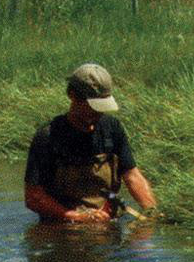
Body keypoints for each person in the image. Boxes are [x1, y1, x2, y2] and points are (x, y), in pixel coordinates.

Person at [25, 63, 157, 223]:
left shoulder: (112, 129)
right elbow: (33, 197)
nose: (98, 113)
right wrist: (75, 216)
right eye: (92, 106)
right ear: (72, 96)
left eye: (102, 107)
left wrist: (151, 212)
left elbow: (132, 176)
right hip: (62, 228)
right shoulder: (48, 137)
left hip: (106, 223)